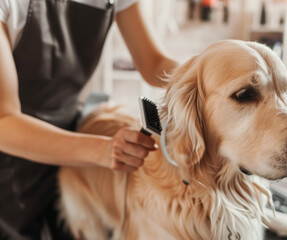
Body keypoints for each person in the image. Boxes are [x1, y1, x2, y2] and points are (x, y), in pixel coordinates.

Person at [0, 0, 178, 239]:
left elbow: (154, 64)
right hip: (12, 158)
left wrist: (200, 73)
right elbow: (4, 120)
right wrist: (103, 150)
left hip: (70, 135)